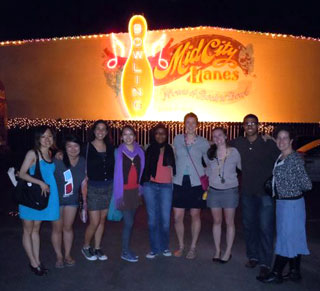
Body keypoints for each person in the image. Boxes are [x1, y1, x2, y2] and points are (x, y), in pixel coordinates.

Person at [259, 126, 312, 284]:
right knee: (293, 237)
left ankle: (276, 272)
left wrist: (288, 187)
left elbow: (307, 184)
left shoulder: (294, 159)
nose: (281, 141)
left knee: (286, 238)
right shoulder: (282, 156)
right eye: (279, 138)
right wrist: (270, 138)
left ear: (291, 141)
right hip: (284, 204)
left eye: (285, 138)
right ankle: (295, 272)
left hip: (292, 205)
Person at [230, 114, 279, 279]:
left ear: (258, 126)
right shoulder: (239, 143)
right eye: (247, 123)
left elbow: (282, 156)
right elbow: (220, 143)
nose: (250, 126)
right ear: (243, 126)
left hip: (265, 194)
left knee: (266, 228)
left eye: (253, 123)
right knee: (249, 227)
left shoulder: (267, 143)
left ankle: (265, 262)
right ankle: (253, 256)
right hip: (247, 193)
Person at [18, 126, 59, 276]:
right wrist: (40, 183)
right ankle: (33, 262)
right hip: (31, 198)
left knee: (36, 229)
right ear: (38, 139)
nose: (47, 139)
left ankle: (37, 260)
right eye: (43, 136)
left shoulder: (49, 153)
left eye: (49, 136)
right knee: (28, 230)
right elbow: (21, 174)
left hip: (43, 198)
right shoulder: (32, 153)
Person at [172, 112, 210, 259]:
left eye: (193, 122)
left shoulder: (203, 142)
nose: (190, 125)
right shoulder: (177, 139)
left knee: (195, 215)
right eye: (188, 122)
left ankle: (193, 247)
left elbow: (208, 161)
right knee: (177, 216)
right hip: (179, 181)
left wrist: (207, 176)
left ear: (197, 125)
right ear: (184, 124)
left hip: (196, 183)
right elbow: (174, 158)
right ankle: (181, 246)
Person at [206, 127, 241, 263]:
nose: (218, 138)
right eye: (214, 136)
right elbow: (208, 170)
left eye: (220, 135)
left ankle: (228, 251)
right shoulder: (210, 153)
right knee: (217, 221)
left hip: (230, 191)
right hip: (214, 191)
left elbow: (243, 167)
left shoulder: (234, 152)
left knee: (229, 222)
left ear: (226, 136)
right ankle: (217, 250)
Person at [81, 120, 115, 261]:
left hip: (108, 187)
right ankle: (85, 247)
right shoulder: (87, 147)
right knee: (94, 222)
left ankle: (97, 247)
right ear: (94, 131)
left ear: (107, 132)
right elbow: (73, 157)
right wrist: (59, 154)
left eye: (103, 129)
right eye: (98, 129)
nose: (100, 131)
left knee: (102, 220)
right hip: (93, 188)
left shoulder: (111, 147)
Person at [142, 123, 176, 259]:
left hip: (166, 187)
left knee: (165, 220)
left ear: (167, 135)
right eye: (157, 133)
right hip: (150, 186)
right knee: (152, 220)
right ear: (153, 134)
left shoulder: (171, 148)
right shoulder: (148, 148)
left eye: (163, 133)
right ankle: (154, 249)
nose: (160, 135)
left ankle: (165, 247)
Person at [52, 134, 86, 268]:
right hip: (56, 200)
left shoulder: (83, 161)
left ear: (80, 147)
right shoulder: (58, 160)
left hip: (72, 200)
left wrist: (84, 202)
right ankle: (59, 256)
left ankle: (67, 255)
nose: (72, 149)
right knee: (57, 229)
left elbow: (85, 181)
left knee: (68, 227)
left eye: (75, 145)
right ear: (64, 148)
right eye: (69, 146)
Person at [114, 125, 145, 262]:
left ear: (135, 136)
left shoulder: (140, 151)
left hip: (136, 191)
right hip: (124, 192)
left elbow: (143, 169)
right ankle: (125, 251)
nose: (128, 137)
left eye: (130, 134)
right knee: (128, 222)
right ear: (121, 137)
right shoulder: (118, 152)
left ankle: (126, 249)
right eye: (125, 134)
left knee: (130, 222)